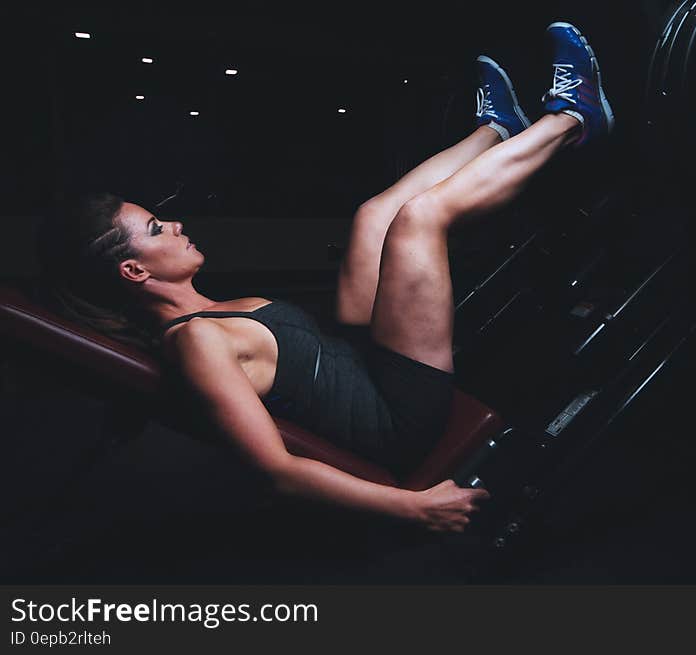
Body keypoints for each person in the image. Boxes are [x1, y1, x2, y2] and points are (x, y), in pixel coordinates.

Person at [42, 22, 614, 533]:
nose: (176, 224)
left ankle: (497, 130)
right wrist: (414, 507)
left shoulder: (201, 313)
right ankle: (574, 118)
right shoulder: (194, 343)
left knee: (373, 218)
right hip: (397, 414)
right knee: (420, 220)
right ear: (134, 269)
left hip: (359, 357)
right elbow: (278, 472)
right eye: (156, 227)